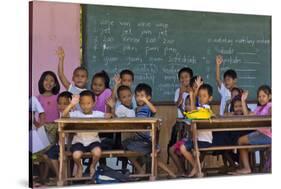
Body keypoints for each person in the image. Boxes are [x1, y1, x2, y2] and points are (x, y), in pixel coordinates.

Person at [62, 90, 112, 178]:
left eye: (88, 103)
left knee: (97, 152)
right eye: (82, 104)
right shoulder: (76, 114)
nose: (85, 106)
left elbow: (109, 116)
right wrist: (71, 104)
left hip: (93, 141)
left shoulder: (98, 114)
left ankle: (92, 166)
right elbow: (63, 116)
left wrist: (110, 112)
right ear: (79, 104)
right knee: (76, 155)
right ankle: (80, 167)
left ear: (94, 103)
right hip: (79, 141)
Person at [233, 85, 272, 174]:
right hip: (261, 134)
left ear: (270, 97)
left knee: (240, 141)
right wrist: (243, 101)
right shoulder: (259, 108)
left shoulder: (270, 105)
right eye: (259, 96)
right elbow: (247, 116)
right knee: (241, 141)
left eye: (264, 96)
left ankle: (247, 168)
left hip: (268, 136)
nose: (261, 98)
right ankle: (247, 167)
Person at [179, 84, 214, 177]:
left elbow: (194, 112)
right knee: (182, 148)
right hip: (197, 140)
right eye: (200, 96)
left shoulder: (207, 109)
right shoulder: (199, 108)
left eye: (204, 96)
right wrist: (192, 95)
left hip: (204, 141)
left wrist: (192, 96)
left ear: (210, 98)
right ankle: (197, 166)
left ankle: (197, 168)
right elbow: (193, 111)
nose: (201, 98)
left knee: (194, 151)